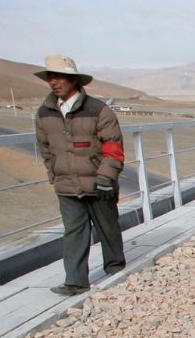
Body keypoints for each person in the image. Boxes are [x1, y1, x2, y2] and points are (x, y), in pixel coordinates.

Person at [34, 54, 126, 296]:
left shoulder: (98, 110)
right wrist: (53, 173)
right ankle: (75, 281)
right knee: (73, 232)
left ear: (74, 80)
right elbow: (44, 147)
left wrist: (106, 176)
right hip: (66, 184)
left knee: (108, 227)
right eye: (50, 77)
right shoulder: (44, 113)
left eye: (59, 77)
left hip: (99, 181)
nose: (54, 82)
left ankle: (116, 268)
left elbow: (113, 145)